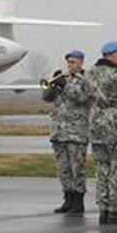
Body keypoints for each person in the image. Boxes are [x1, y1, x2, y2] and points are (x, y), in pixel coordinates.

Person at [86, 41, 117, 224]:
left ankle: (103, 209)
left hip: (96, 124)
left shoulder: (90, 73)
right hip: (115, 125)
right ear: (110, 56)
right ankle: (116, 209)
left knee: (102, 169)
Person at [42, 50, 90, 215]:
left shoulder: (86, 80)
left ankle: (78, 201)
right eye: (68, 61)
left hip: (77, 132)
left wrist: (65, 86)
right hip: (59, 132)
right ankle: (67, 199)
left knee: (77, 168)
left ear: (81, 62)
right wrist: (53, 86)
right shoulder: (63, 79)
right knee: (63, 169)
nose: (70, 65)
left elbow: (83, 97)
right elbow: (47, 98)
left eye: (74, 62)